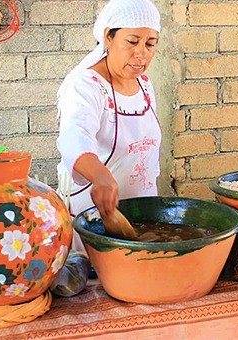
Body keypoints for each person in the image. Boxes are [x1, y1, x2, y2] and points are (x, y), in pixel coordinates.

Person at [56, 0, 162, 229]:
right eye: (132, 41)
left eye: (150, 44)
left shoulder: (144, 84)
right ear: (108, 37)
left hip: (140, 215)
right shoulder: (86, 86)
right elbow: (74, 136)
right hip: (93, 217)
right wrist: (100, 176)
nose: (141, 53)